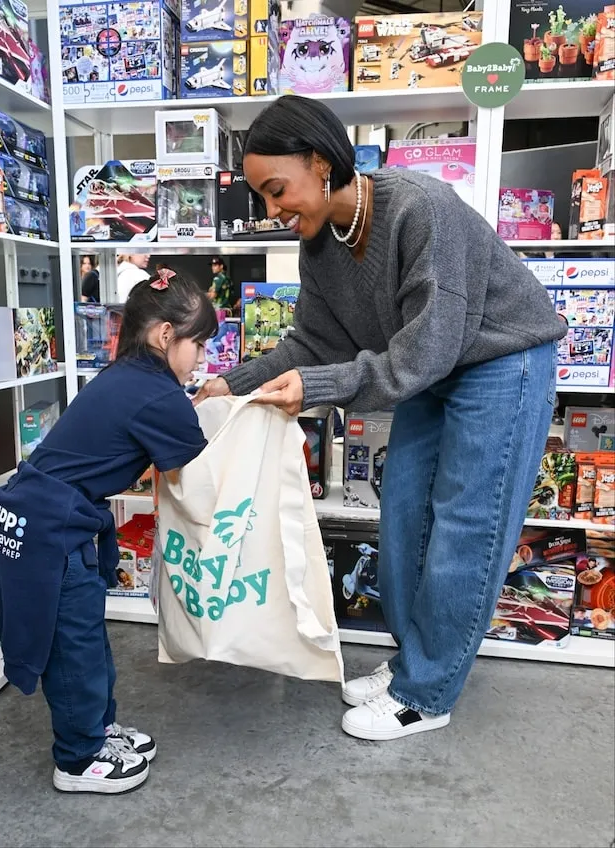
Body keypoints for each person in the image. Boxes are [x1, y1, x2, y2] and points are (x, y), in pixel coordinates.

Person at [194, 96, 566, 741]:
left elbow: (425, 348)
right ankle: (412, 665)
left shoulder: (420, 209)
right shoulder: (320, 247)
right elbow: (311, 344)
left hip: (503, 361)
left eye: (277, 190)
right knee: (403, 520)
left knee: (466, 531)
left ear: (319, 162)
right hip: (433, 367)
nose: (272, 211)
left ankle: (428, 694)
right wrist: (230, 382)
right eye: (261, 197)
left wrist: (319, 385)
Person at [0, 268, 215, 794]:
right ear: (165, 337)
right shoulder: (156, 395)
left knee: (88, 637)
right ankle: (78, 757)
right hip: (52, 531)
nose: (202, 359)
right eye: (198, 345)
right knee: (73, 646)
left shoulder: (129, 378)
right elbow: (198, 465)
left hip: (53, 519)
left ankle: (97, 726)